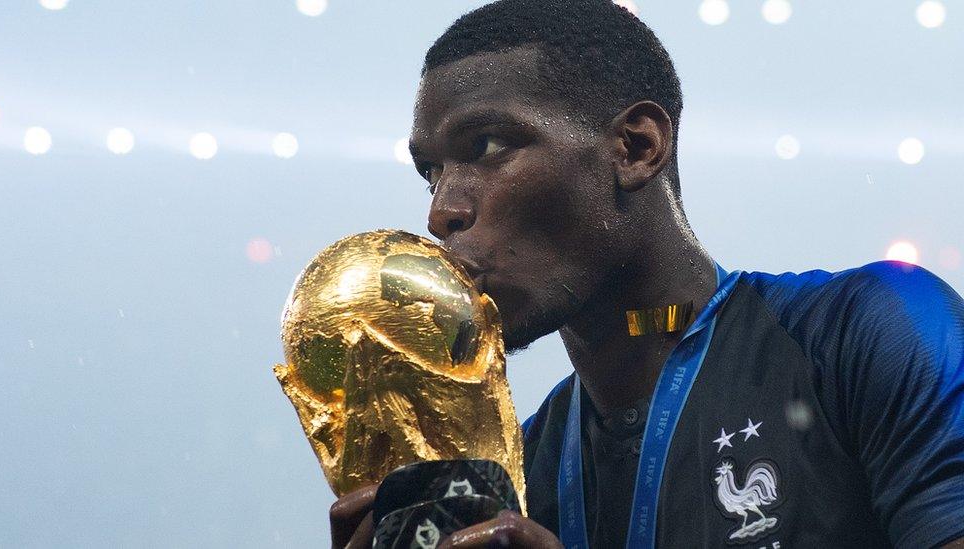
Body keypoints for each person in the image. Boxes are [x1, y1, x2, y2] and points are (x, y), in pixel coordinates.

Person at [329, 0, 964, 547]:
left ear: (636, 147)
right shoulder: (516, 480)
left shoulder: (867, 335)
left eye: (487, 147)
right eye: (431, 172)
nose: (443, 212)